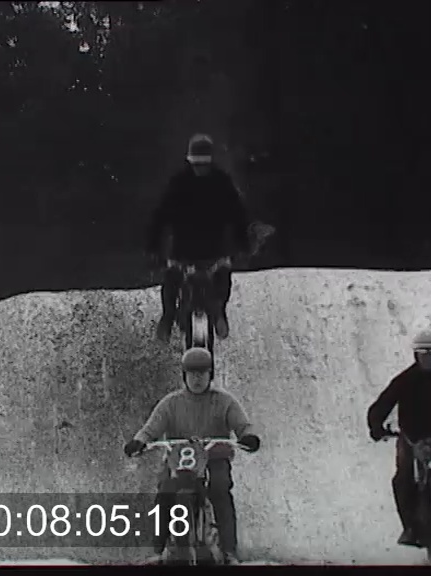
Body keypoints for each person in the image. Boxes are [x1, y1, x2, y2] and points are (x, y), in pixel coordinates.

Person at [123, 347, 261, 565]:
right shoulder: (171, 403)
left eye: (202, 373)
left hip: (214, 458)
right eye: (192, 374)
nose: (197, 379)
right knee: (165, 491)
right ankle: (157, 550)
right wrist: (139, 442)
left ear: (210, 375)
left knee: (219, 489)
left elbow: (243, 425)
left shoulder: (224, 401)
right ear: (184, 375)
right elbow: (150, 429)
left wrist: (248, 437)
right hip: (178, 461)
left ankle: (229, 551)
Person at [145, 133, 252, 343]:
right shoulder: (180, 183)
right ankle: (168, 316)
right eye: (197, 165)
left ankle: (219, 311)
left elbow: (238, 215)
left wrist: (242, 244)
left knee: (223, 274)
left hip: (213, 249)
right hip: (184, 249)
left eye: (203, 165)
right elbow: (160, 216)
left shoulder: (221, 182)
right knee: (172, 278)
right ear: (190, 162)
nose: (200, 169)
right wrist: (153, 245)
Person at [367, 327, 431, 547]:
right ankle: (410, 527)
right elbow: (382, 405)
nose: (427, 358)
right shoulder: (404, 381)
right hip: (411, 439)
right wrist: (376, 426)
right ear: (415, 354)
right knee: (403, 478)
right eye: (423, 353)